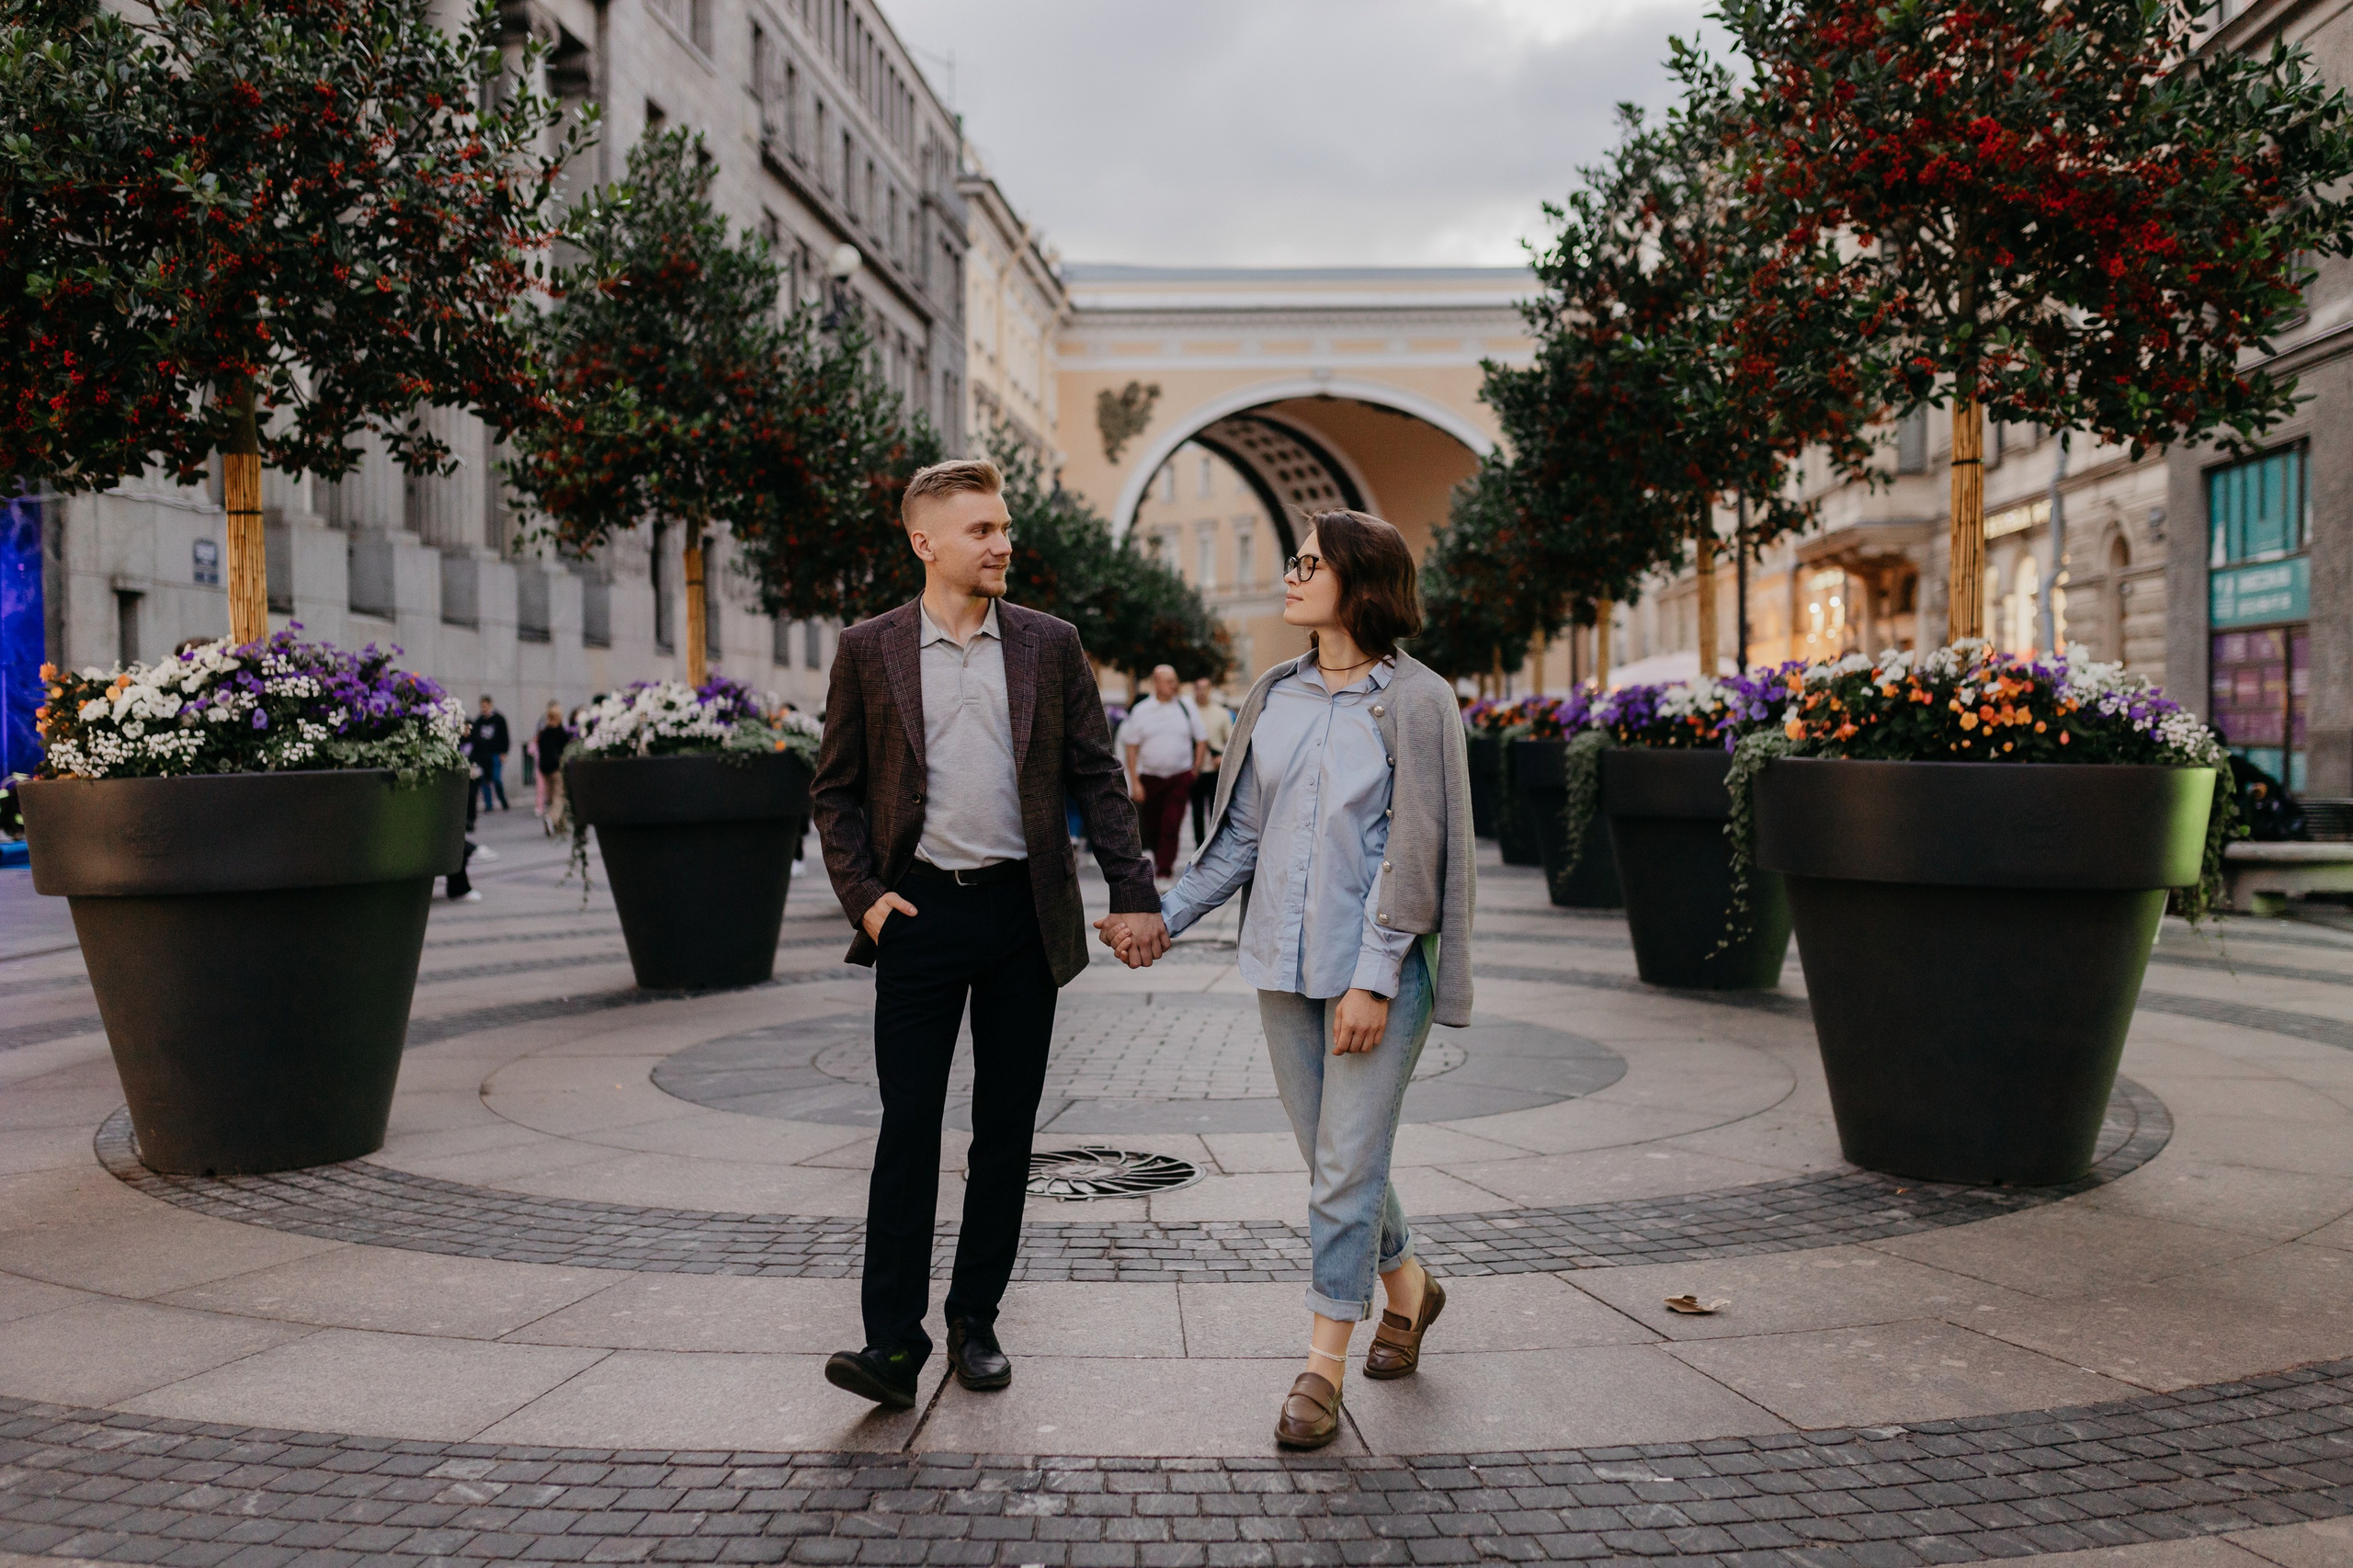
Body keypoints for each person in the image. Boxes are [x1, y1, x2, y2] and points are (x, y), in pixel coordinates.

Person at [1100, 510, 1475, 1449]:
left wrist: (1375, 977)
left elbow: (1412, 847)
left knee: (1345, 1164)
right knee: (1333, 1158)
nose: (1291, 574)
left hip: (1375, 971)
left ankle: (1320, 1367)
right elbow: (1241, 835)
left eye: (1309, 562)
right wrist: (1165, 919)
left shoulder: (1419, 700)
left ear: (1359, 579)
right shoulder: (1275, 691)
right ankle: (1410, 1288)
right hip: (1281, 958)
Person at [811, 456, 1168, 1412]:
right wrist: (867, 899)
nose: (1003, 542)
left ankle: (975, 1317)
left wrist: (1134, 891)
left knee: (1005, 1130)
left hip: (1020, 914)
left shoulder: (1050, 645)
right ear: (924, 541)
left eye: (1003, 526)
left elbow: (1098, 776)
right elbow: (835, 791)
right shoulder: (869, 648)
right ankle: (892, 1342)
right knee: (907, 1129)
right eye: (981, 529)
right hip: (919, 916)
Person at [1120, 665, 1207, 880]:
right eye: (1168, 681)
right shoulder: (1142, 710)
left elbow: (1201, 739)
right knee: (1153, 824)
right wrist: (1135, 782)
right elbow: (1131, 748)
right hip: (1150, 777)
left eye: (1175, 680)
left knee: (1171, 822)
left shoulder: (1186, 707)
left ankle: (1164, 870)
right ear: (1156, 683)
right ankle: (1160, 861)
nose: (1174, 685)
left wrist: (1194, 769)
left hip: (1179, 776)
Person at [1188, 676, 1233, 849]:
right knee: (1196, 810)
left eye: (1205, 688)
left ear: (1210, 690)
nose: (1201, 692)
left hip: (1214, 769)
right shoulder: (1189, 712)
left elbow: (1230, 740)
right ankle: (1199, 846)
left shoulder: (1221, 713)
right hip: (1194, 769)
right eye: (1198, 688)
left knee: (1215, 810)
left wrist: (1221, 757)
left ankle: (1215, 845)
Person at [470, 696, 511, 812]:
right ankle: (489, 805)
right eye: (482, 706)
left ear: (490, 705)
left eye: (485, 706)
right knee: (484, 780)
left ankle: (502, 800)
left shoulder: (499, 719)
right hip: (483, 755)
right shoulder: (478, 721)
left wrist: (504, 752)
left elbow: (505, 737)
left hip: (496, 754)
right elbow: (475, 739)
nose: (484, 708)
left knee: (496, 778)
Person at [533, 703, 571, 825]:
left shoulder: (543, 733)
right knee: (559, 796)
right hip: (557, 768)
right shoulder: (561, 733)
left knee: (551, 797)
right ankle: (552, 818)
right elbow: (566, 750)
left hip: (544, 769)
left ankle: (559, 824)